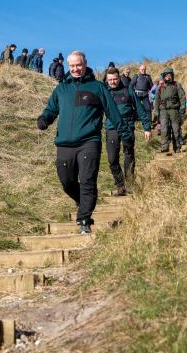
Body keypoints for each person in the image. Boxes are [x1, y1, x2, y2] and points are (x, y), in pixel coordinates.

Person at [37, 51, 133, 234]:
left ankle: (84, 221)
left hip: (89, 141)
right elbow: (51, 109)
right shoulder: (61, 89)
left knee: (87, 180)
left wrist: (125, 134)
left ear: (85, 63)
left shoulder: (97, 87)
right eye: (72, 65)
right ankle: (85, 201)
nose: (75, 69)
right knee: (66, 181)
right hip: (64, 143)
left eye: (78, 65)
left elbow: (113, 112)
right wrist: (44, 119)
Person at [105, 68, 151, 196]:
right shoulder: (105, 91)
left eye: (115, 79)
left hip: (127, 126)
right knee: (112, 158)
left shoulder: (128, 89)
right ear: (107, 80)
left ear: (119, 78)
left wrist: (147, 127)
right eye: (110, 80)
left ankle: (130, 184)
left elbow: (140, 108)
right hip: (111, 127)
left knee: (129, 155)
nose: (113, 82)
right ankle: (120, 185)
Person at [153, 67, 186, 153]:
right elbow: (156, 100)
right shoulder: (160, 87)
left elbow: (182, 97)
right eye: (167, 75)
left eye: (170, 75)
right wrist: (156, 111)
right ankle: (165, 147)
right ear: (164, 76)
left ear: (172, 76)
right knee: (164, 129)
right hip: (163, 111)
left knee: (176, 129)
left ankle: (177, 146)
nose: (168, 77)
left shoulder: (177, 85)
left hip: (174, 110)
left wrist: (183, 107)